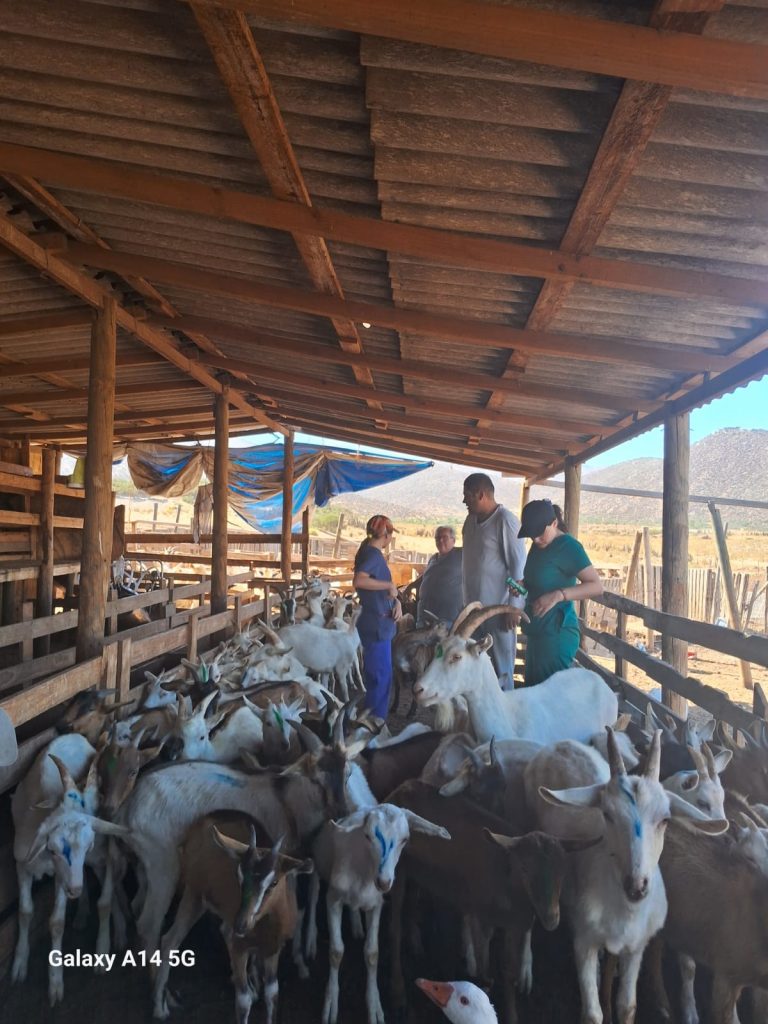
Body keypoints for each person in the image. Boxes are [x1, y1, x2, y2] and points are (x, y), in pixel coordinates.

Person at [517, 498, 603, 686]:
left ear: (554, 523)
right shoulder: (539, 544)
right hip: (537, 631)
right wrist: (522, 586)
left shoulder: (569, 547)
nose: (535, 539)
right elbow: (540, 580)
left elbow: (596, 585)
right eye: (532, 535)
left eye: (540, 534)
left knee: (547, 699)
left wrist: (559, 595)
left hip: (556, 634)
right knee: (534, 692)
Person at [461, 473, 527, 690]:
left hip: (497, 612)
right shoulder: (469, 522)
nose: (464, 501)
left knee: (501, 668)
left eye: (467, 496)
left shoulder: (505, 521)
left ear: (481, 494)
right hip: (473, 612)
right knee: (476, 664)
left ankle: (505, 713)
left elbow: (518, 569)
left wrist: (513, 607)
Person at [353, 514, 402, 718]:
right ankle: (373, 727)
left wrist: (396, 602)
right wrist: (389, 585)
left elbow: (376, 591)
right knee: (379, 679)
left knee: (380, 677)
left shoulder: (369, 552)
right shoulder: (372, 555)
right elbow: (359, 581)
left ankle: (374, 722)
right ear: (386, 535)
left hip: (379, 621)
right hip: (376, 626)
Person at [415, 525, 464, 627]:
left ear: (453, 540)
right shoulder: (433, 558)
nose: (440, 540)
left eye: (444, 537)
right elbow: (428, 575)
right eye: (437, 538)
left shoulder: (461, 555)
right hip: (424, 616)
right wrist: (413, 585)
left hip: (447, 619)